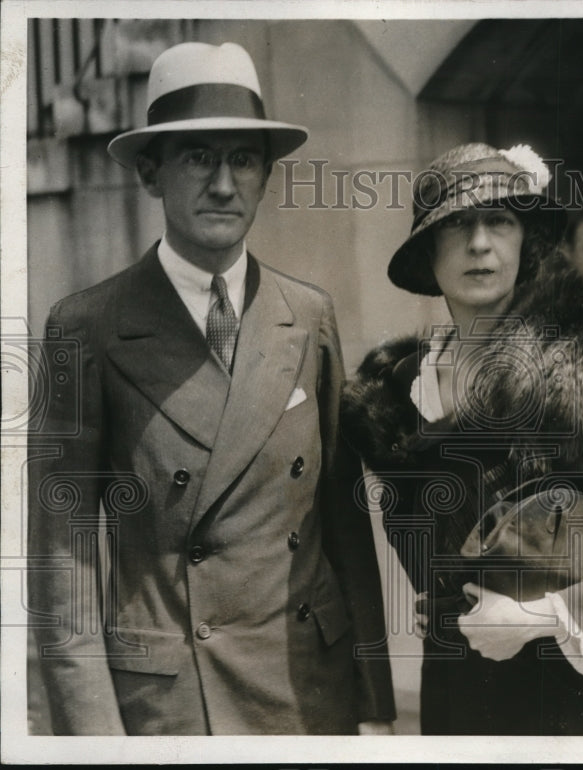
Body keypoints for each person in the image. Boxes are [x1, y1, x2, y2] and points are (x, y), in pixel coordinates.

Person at [27, 41, 395, 735]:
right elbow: (61, 565)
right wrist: (96, 741)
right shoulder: (86, 328)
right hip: (172, 709)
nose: (224, 184)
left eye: (244, 159)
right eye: (198, 157)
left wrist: (374, 703)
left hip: (307, 688)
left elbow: (344, 529)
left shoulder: (307, 315)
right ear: (149, 173)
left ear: (264, 176)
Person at [341, 142, 583, 735]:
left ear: (525, 242)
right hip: (451, 701)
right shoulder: (395, 397)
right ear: (429, 250)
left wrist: (535, 616)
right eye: (457, 225)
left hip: (562, 702)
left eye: (499, 221)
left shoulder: (570, 379)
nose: (480, 243)